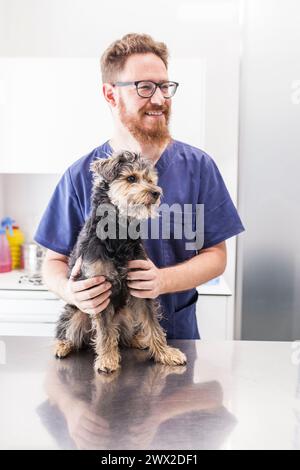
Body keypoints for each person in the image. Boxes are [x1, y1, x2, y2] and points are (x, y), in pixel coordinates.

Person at [34, 33, 244, 340]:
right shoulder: (81, 174)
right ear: (110, 95)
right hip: (105, 349)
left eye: (164, 86)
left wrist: (163, 280)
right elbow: (53, 261)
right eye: (144, 87)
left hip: (175, 344)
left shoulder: (199, 168)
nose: (159, 99)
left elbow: (216, 256)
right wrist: (70, 291)